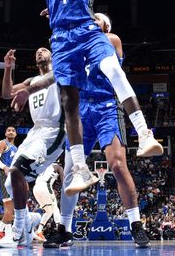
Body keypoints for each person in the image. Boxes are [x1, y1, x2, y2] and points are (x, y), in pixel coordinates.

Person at [20, 0, 160, 194]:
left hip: (86, 30)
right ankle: (80, 169)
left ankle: (144, 133)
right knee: (69, 101)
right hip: (61, 39)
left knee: (111, 66)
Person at [43, 14, 151, 248]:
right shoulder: (79, 42)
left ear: (106, 26)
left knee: (118, 165)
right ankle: (65, 229)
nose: (92, 19)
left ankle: (136, 225)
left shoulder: (110, 40)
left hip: (107, 108)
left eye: (97, 18)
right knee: (71, 173)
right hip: (81, 111)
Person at [0, 47, 66, 248]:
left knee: (18, 171)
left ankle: (19, 231)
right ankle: (29, 220)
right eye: (37, 51)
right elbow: (7, 93)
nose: (40, 51)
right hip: (35, 132)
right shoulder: (31, 80)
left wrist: (27, 91)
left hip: (54, 131)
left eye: (44, 50)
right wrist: (8, 68)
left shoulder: (59, 70)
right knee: (11, 183)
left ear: (51, 55)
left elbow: (50, 79)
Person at [0, 126, 17, 239]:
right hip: (2, 175)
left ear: (16, 134)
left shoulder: (15, 148)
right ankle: (2, 232)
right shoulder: (2, 143)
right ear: (5, 133)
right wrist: (4, 167)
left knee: (12, 208)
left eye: (13, 131)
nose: (11, 132)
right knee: (9, 207)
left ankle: (1, 232)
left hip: (11, 177)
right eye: (9, 130)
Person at [33, 162, 64, 241]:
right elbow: (63, 179)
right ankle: (60, 232)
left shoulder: (44, 166)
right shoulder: (58, 167)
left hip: (35, 188)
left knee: (48, 211)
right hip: (45, 186)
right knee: (55, 208)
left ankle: (39, 231)